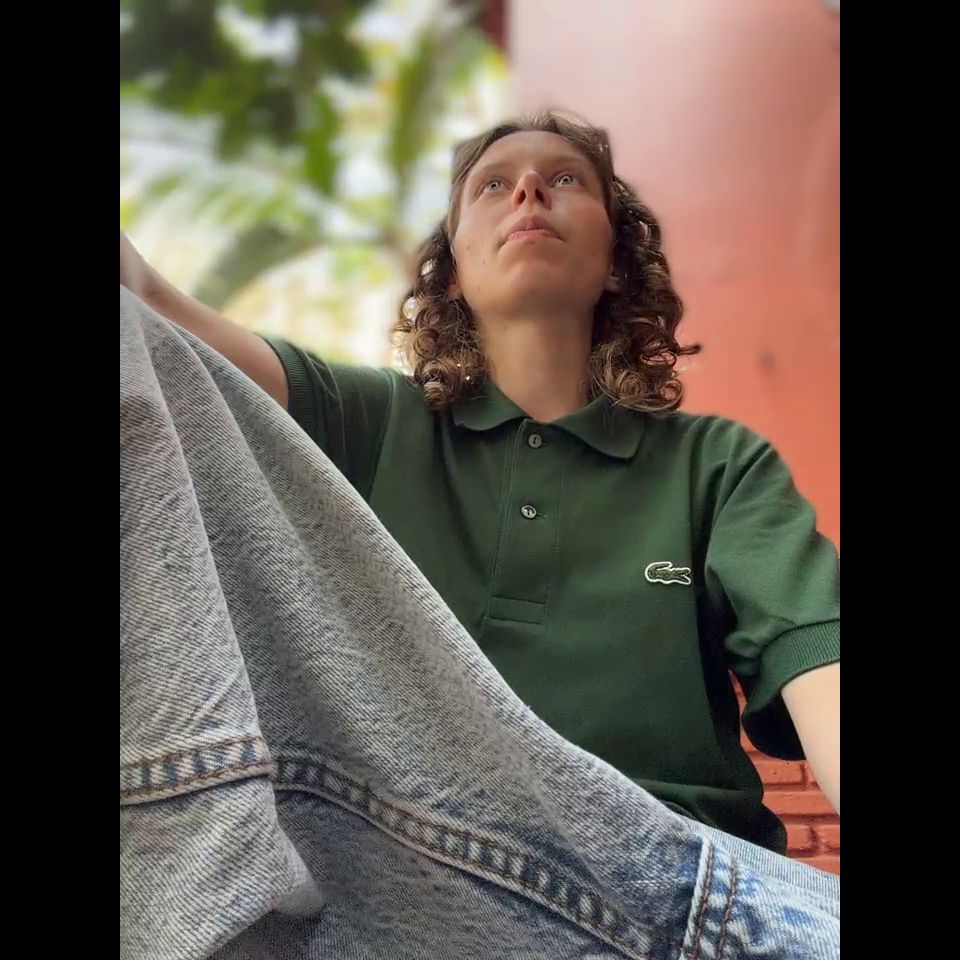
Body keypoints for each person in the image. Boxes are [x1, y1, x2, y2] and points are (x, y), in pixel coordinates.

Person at [119, 111, 839, 855]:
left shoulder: (717, 464)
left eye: (565, 178)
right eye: (493, 186)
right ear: (456, 271)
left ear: (617, 263)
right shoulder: (371, 421)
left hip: (683, 869)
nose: (528, 190)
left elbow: (820, 654)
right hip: (424, 865)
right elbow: (154, 313)